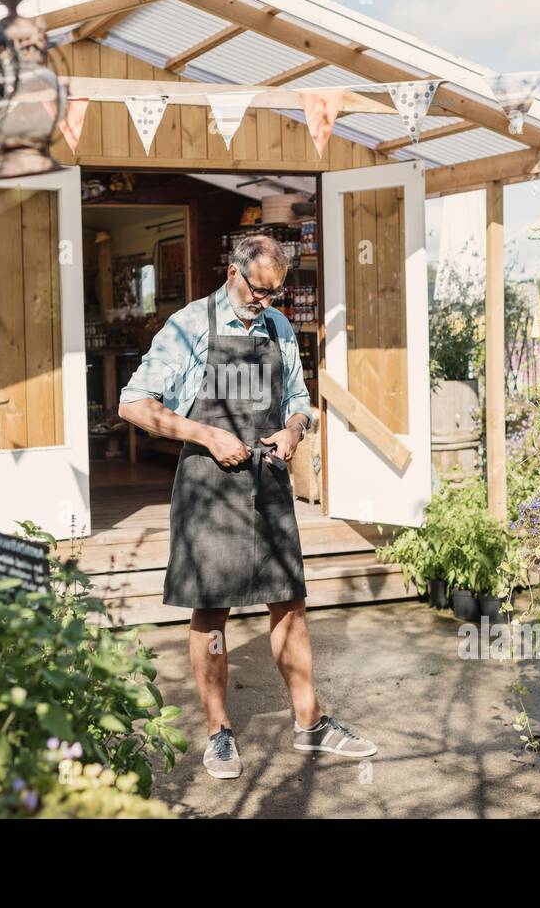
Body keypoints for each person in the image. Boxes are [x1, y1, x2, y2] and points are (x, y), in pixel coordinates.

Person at [118, 233, 377, 780]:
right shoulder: (189, 325)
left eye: (276, 293)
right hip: (208, 486)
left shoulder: (278, 327)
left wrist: (293, 431)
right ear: (234, 273)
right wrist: (207, 436)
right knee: (213, 612)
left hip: (268, 479)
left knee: (289, 602)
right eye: (260, 291)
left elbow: (298, 400)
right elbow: (134, 404)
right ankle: (218, 731)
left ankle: (311, 723)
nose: (267, 302)